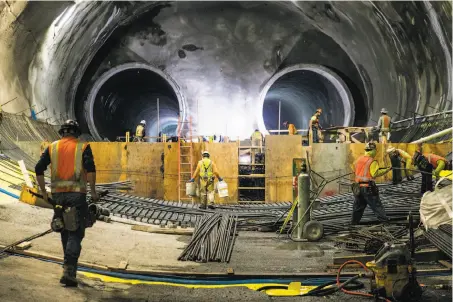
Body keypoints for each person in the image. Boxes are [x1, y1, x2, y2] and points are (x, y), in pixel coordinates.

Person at [35, 120, 99, 287]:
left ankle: (68, 269)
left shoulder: (52, 147)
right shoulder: (83, 146)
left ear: (62, 132)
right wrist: (93, 192)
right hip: (76, 196)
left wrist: (43, 191)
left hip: (58, 197)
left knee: (64, 229)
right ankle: (69, 271)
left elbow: (38, 168)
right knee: (75, 233)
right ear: (76, 132)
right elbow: (90, 169)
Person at [351, 142, 391, 225]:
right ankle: (385, 222)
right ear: (373, 151)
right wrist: (387, 170)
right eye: (375, 150)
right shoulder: (372, 161)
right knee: (376, 205)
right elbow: (375, 173)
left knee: (358, 207)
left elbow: (357, 170)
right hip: (368, 188)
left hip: (358, 188)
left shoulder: (359, 159)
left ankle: (354, 223)